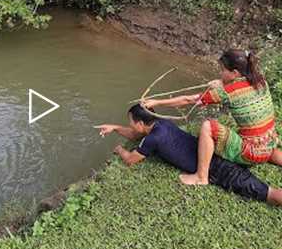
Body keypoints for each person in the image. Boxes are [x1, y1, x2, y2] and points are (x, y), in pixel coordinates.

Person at [95, 104, 282, 206]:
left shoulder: (152, 139)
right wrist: (114, 128)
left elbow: (130, 160)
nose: (129, 125)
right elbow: (135, 134)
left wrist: (120, 150)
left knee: (267, 193)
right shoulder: (162, 124)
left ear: (141, 123)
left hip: (216, 169)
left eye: (130, 122)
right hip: (216, 154)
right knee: (266, 157)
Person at [143, 49, 282, 185]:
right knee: (262, 140)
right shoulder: (260, 80)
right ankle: (269, 156)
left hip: (250, 152)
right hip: (269, 144)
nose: (220, 73)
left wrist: (157, 102)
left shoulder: (226, 92)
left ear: (234, 73)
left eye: (222, 70)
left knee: (208, 127)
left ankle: (201, 177)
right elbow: (240, 88)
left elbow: (188, 100)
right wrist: (222, 84)